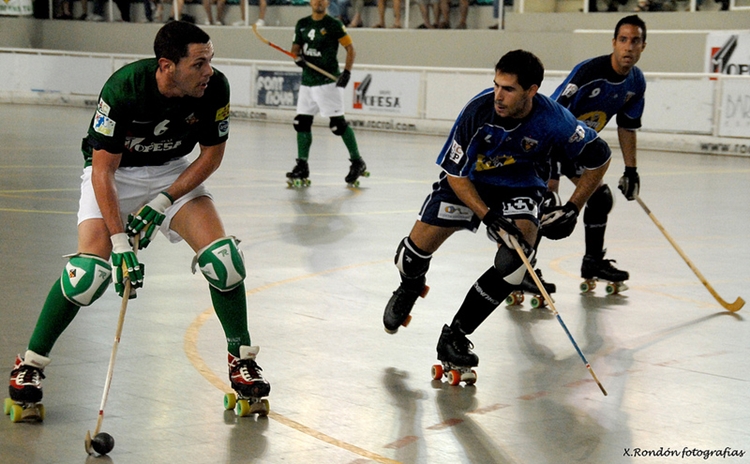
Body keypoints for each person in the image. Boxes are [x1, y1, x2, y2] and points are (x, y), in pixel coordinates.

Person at [8, 21, 270, 412]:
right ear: (167, 66)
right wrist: (118, 244)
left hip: (171, 172)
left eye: (210, 61)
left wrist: (162, 202)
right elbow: (102, 172)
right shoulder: (124, 88)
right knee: (87, 276)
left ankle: (242, 359)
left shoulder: (214, 88)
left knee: (225, 261)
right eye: (199, 64)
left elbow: (211, 157)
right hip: (116, 176)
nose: (209, 72)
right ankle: (30, 364)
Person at [382, 50, 612, 373]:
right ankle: (410, 285)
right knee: (410, 256)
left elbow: (600, 157)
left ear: (532, 91)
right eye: (496, 85)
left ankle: (455, 336)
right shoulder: (478, 111)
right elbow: (455, 174)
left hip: (520, 186)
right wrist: (488, 215)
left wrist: (574, 208)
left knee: (515, 263)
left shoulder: (554, 119)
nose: (498, 96)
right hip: (469, 183)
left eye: (509, 89)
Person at [544, 14, 647, 292]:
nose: (628, 47)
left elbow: (627, 126)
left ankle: (592, 262)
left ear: (643, 47)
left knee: (600, 198)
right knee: (544, 203)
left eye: (635, 41)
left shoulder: (635, 82)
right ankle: (522, 269)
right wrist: (551, 175)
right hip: (549, 143)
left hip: (579, 148)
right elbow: (549, 116)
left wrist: (631, 170)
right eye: (623, 40)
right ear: (613, 43)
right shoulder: (589, 72)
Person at [287, 0, 366, 187]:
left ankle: (357, 162)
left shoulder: (334, 24)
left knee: (338, 126)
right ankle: (302, 165)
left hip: (328, 82)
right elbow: (294, 50)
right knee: (301, 123)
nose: (318, 2)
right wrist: (297, 58)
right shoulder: (302, 24)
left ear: (327, 2)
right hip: (308, 82)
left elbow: (350, 49)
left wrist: (346, 72)